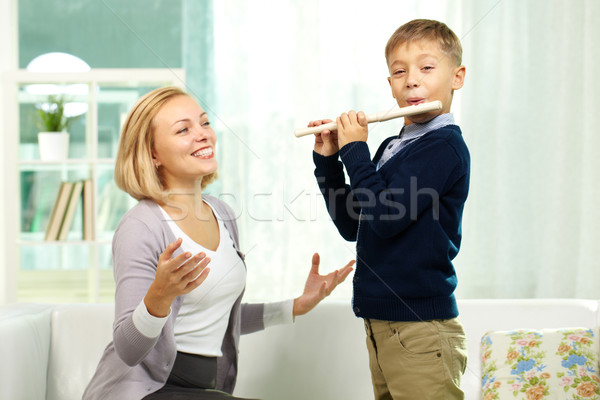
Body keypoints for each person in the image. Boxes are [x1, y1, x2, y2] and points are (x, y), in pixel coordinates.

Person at [83, 86, 354, 400]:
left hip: (203, 389)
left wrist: (296, 305)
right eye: (183, 129)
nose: (203, 135)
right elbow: (129, 350)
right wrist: (159, 296)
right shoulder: (141, 226)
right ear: (153, 154)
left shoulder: (221, 213)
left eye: (204, 123)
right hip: (146, 391)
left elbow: (220, 315)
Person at [308, 19, 469, 399]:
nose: (411, 80)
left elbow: (386, 217)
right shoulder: (390, 148)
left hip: (420, 327)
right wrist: (330, 161)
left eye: (427, 68)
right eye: (399, 71)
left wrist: (354, 151)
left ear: (456, 77)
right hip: (382, 324)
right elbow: (355, 224)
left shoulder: (443, 147)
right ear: (390, 84)